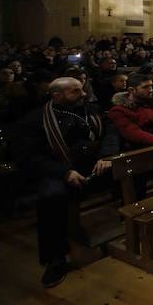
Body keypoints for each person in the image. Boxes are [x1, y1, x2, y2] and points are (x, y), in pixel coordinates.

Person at [15, 78, 120, 288]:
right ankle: (55, 259)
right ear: (57, 96)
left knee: (132, 170)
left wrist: (107, 155)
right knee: (51, 197)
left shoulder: (92, 109)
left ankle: (135, 229)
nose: (83, 94)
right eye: (75, 92)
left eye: (82, 90)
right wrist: (64, 172)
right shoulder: (35, 119)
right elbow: (29, 158)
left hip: (95, 166)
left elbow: (111, 131)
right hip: (58, 171)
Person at [107, 73, 153, 149]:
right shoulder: (118, 111)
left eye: (151, 86)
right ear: (131, 90)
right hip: (142, 148)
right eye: (145, 87)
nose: (151, 90)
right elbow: (132, 133)